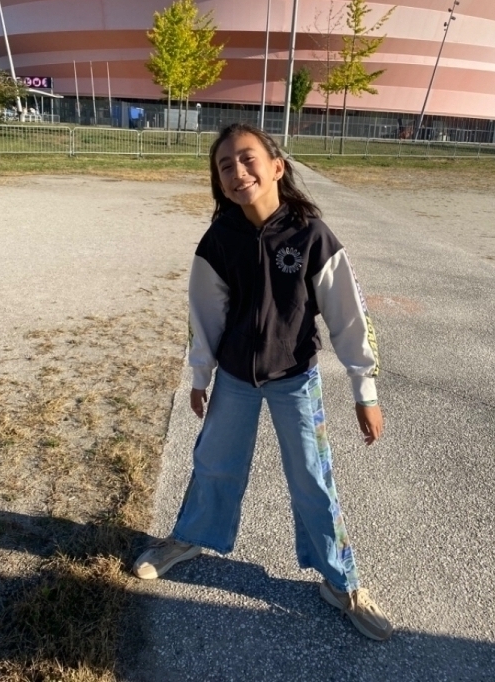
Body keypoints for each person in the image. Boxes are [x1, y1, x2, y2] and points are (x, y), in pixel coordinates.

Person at [133, 123, 392, 641]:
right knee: (214, 464)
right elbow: (205, 315)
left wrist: (365, 391)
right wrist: (200, 375)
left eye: (247, 158)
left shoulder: (312, 236)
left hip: (295, 379)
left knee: (313, 479)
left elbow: (349, 317)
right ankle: (189, 537)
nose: (237, 171)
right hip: (234, 377)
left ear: (277, 166)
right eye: (225, 165)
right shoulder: (219, 240)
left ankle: (341, 581)